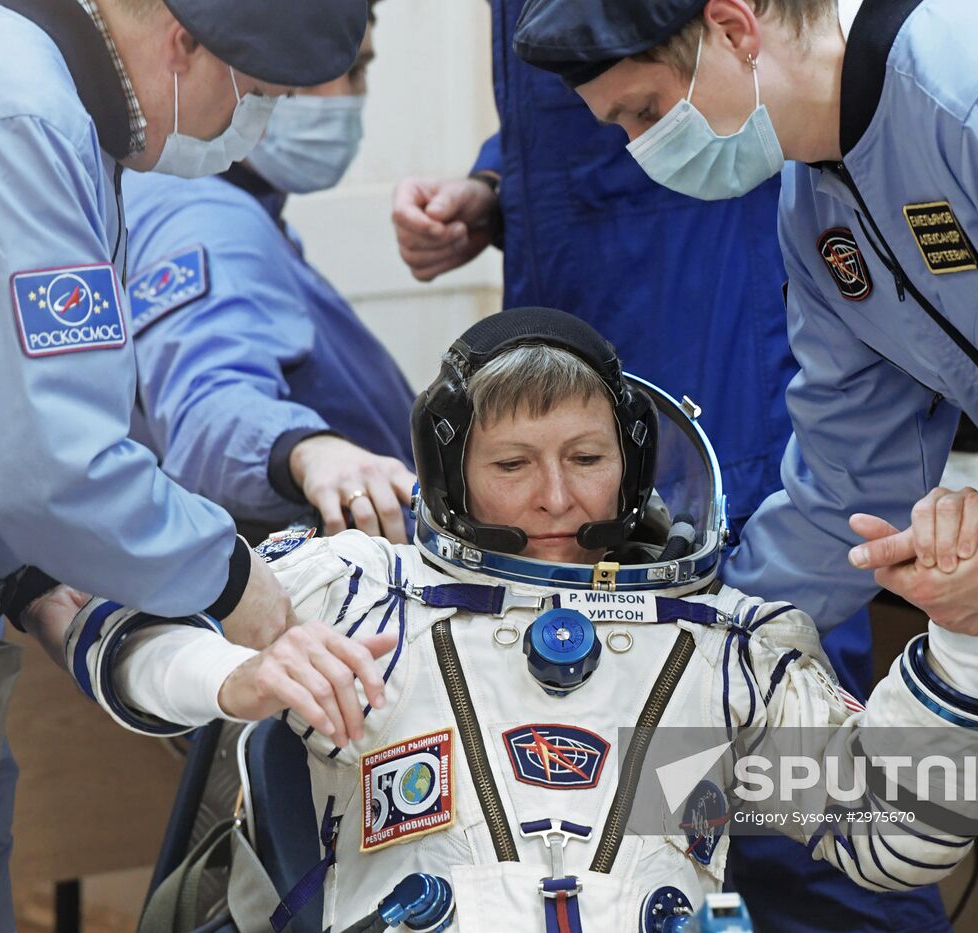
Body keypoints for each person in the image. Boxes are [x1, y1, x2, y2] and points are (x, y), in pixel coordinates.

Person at [510, 0, 978, 927]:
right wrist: (684, 661)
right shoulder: (820, 211)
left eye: (644, 110)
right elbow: (844, 483)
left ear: (734, 26)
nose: (642, 147)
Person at [65, 307, 978, 933]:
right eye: (513, 464)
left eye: (587, 456)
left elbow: (895, 840)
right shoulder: (356, 588)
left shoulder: (721, 643)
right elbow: (114, 632)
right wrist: (230, 678)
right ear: (453, 477)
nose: (557, 497)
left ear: (633, 466)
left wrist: (965, 640)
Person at [389, 6, 914, 924]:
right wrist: (494, 183)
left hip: (721, 406)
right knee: (574, 813)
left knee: (788, 806)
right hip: (574, 397)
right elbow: (589, 95)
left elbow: (709, 74)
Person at [0, 0, 367, 928]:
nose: (245, 127)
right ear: (186, 43)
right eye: (253, 94)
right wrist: (227, 577)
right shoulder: (11, 110)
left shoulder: (20, 87)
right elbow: (40, 460)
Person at [125, 4, 416, 546]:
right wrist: (307, 451)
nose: (352, 99)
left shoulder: (245, 208)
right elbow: (208, 401)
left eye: (362, 73)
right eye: (347, 70)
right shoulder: (205, 219)